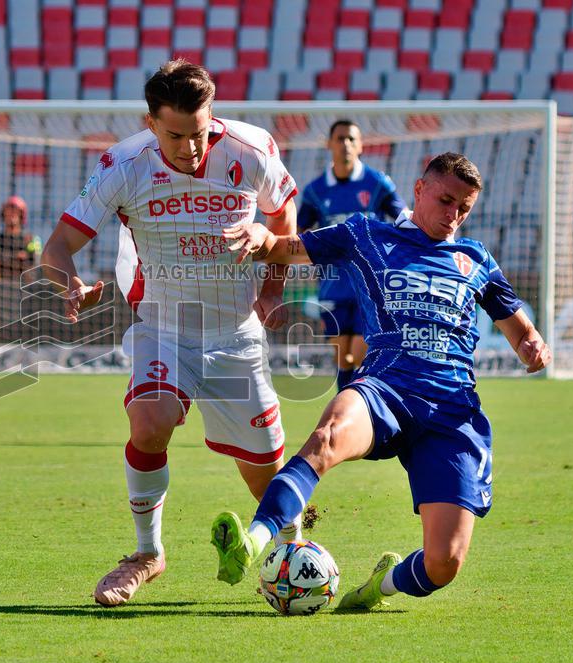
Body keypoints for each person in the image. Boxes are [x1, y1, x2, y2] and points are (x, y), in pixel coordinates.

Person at [213, 153, 552, 611]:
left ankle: (376, 588)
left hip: (452, 412)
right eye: (446, 200)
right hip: (385, 389)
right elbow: (286, 247)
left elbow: (521, 330)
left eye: (464, 209)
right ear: (419, 189)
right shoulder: (366, 234)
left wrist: (533, 346)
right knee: (326, 437)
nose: (453, 216)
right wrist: (261, 236)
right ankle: (252, 543)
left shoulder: (476, 260)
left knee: (444, 563)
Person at [42, 59, 301, 607]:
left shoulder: (251, 151)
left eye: (200, 132)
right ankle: (145, 554)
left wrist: (272, 279)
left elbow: (284, 220)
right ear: (151, 123)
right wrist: (68, 284)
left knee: (264, 479)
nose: (189, 147)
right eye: (176, 135)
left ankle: (293, 555)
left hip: (235, 333)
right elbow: (58, 246)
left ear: (214, 116)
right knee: (150, 421)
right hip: (164, 326)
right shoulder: (124, 163)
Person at [298, 120, 408, 389]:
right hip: (333, 285)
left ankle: (359, 412)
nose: (345, 144)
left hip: (369, 285)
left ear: (360, 145)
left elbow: (403, 220)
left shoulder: (377, 183)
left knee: (359, 355)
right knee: (343, 359)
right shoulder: (315, 191)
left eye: (351, 139)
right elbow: (299, 233)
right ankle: (344, 408)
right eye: (340, 138)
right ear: (329, 144)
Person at [0, 195, 42, 280]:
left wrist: (5, 259)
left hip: (24, 286)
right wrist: (18, 258)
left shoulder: (32, 239)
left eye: (15, 211)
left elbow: (34, 261)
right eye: (8, 211)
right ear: (3, 214)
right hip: (0, 286)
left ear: (22, 214)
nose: (11, 214)